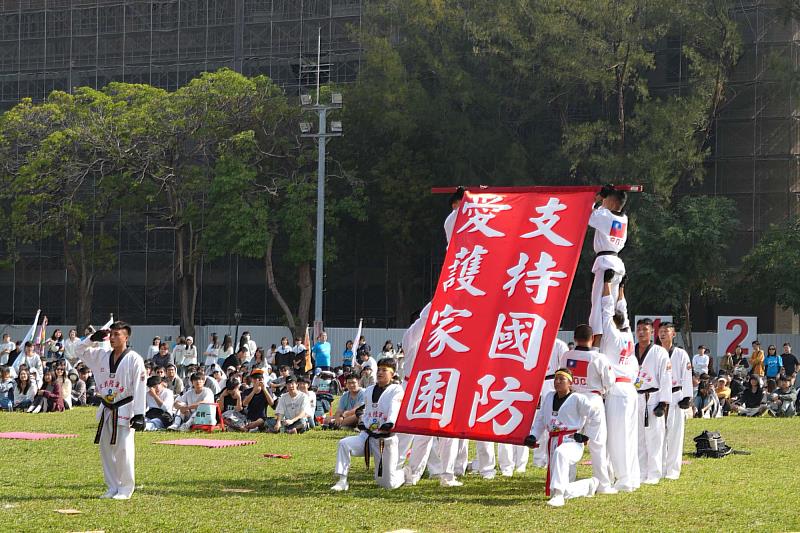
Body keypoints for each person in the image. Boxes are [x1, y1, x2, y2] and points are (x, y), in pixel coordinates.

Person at [75, 322, 146, 500]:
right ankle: (112, 487)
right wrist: (92, 339)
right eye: (111, 334)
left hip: (125, 408)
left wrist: (139, 414)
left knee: (123, 449)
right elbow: (77, 351)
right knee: (106, 450)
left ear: (126, 337)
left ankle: (125, 489)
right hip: (106, 408)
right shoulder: (101, 355)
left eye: (117, 334)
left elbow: (140, 386)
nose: (113, 338)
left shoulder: (134, 359)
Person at [526, 368, 602, 507]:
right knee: (564, 484)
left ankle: (559, 495)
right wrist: (533, 436)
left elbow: (596, 414)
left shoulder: (578, 398)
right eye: (556, 379)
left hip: (572, 441)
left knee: (561, 453)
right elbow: (541, 419)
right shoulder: (549, 397)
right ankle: (589, 485)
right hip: (554, 440)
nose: (558, 382)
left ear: (570, 383)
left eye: (562, 379)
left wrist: (586, 435)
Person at [557, 323, 615, 493]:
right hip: (592, 398)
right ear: (592, 339)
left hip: (572, 399)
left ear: (574, 338)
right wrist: (602, 390)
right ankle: (603, 484)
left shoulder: (567, 355)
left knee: (568, 439)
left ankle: (566, 478)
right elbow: (609, 381)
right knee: (597, 444)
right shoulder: (599, 358)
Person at [331, 358, 405, 491]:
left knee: (387, 484)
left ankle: (404, 473)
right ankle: (342, 481)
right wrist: (362, 421)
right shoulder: (369, 390)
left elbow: (395, 405)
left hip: (385, 439)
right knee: (344, 444)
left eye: (385, 370)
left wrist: (390, 423)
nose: (380, 373)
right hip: (367, 436)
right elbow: (366, 410)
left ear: (392, 374)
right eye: (379, 369)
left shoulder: (397, 390)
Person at [598, 273, 639, 492]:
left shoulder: (613, 335)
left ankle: (623, 479)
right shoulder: (628, 335)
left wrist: (606, 284)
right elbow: (622, 312)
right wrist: (620, 288)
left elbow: (607, 310)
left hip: (617, 390)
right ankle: (630, 476)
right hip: (630, 390)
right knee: (629, 435)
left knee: (618, 436)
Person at [587, 185, 628, 344]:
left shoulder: (605, 215)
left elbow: (587, 213)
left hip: (605, 264)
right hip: (617, 264)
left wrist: (597, 198)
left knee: (599, 306)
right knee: (613, 306)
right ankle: (614, 339)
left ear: (611, 201)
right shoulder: (623, 218)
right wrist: (607, 196)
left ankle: (596, 343)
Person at [634, 318, 672, 485]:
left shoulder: (659, 352)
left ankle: (655, 473)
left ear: (652, 332)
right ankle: (641, 473)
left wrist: (663, 403)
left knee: (655, 437)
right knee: (638, 437)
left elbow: (666, 378)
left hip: (654, 397)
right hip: (635, 396)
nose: (641, 332)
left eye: (645, 329)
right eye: (639, 329)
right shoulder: (630, 351)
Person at [658, 322, 693, 481]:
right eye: (661, 331)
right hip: (658, 395)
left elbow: (687, 375)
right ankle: (658, 468)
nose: (663, 334)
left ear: (673, 334)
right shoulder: (655, 352)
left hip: (676, 394)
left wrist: (687, 397)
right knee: (658, 434)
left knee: (675, 434)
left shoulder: (680, 354)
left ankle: (672, 470)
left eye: (666, 331)